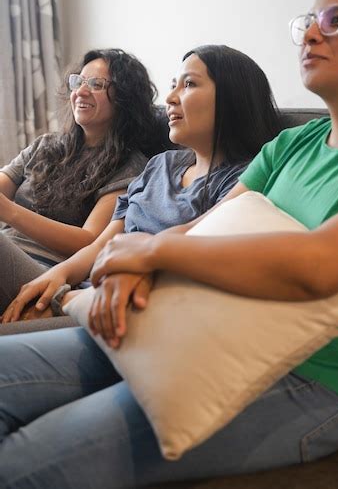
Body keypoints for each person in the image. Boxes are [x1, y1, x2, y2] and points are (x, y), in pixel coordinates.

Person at [1, 0, 338, 488]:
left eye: (336, 20)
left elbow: (321, 265)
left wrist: (149, 257)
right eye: (308, 23)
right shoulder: (293, 145)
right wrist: (134, 263)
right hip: (201, 322)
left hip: (320, 376)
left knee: (25, 462)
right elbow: (203, 229)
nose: (311, 35)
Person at [0, 44, 281, 329]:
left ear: (231, 99)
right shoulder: (161, 165)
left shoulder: (240, 184)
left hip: (113, 307)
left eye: (189, 84)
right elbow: (102, 244)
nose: (170, 99)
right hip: (81, 288)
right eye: (173, 85)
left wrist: (63, 298)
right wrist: (58, 277)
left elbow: (186, 271)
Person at [0, 48, 165, 316]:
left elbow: (89, 241)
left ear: (124, 98)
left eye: (96, 84)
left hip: (43, 271)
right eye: (79, 81)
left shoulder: (131, 167)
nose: (82, 91)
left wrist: (11, 212)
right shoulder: (46, 145)